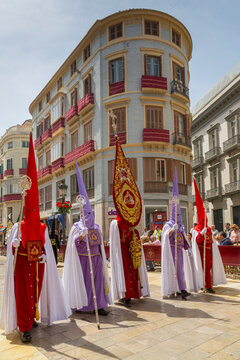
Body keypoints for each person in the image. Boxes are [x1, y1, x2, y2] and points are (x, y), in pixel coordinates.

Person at [0, 133, 71, 342]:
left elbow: (46, 248)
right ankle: (23, 326)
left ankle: (31, 318)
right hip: (22, 265)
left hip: (37, 267)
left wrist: (44, 257)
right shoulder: (18, 227)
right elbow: (11, 250)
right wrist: (13, 245)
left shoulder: (41, 227)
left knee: (34, 295)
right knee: (23, 296)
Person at [63, 161, 112, 316]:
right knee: (84, 284)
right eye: (87, 214)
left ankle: (100, 305)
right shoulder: (76, 227)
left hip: (96, 259)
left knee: (97, 284)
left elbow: (99, 243)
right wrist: (80, 236)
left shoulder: (96, 227)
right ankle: (82, 305)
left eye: (91, 214)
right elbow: (72, 246)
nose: (90, 217)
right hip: (82, 261)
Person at [109, 135, 150, 307]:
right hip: (123, 251)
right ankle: (125, 294)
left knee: (135, 269)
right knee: (126, 271)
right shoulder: (115, 223)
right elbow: (115, 242)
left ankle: (137, 291)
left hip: (131, 248)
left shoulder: (132, 220)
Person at [161, 168, 199, 299]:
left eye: (179, 214)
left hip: (179, 251)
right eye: (176, 214)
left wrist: (187, 248)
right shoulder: (168, 224)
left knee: (180, 271)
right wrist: (172, 229)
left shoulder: (181, 226)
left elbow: (183, 238)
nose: (178, 216)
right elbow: (165, 236)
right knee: (174, 271)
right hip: (171, 251)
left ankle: (181, 288)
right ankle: (180, 290)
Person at [191, 179, 227, 294]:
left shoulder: (208, 230)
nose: (205, 221)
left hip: (209, 252)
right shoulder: (197, 230)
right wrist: (201, 234)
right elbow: (197, 241)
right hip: (201, 253)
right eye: (203, 219)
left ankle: (208, 284)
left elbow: (211, 241)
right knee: (204, 270)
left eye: (205, 219)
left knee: (209, 268)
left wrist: (213, 243)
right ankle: (205, 285)